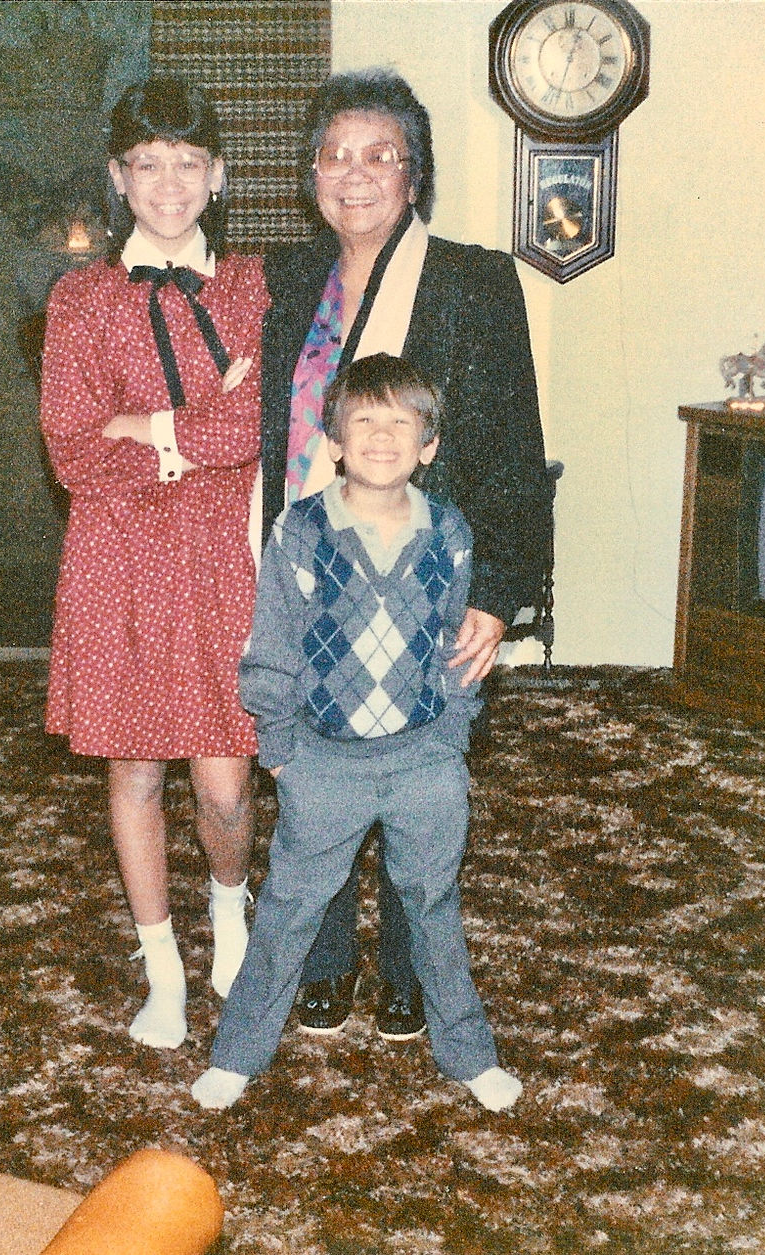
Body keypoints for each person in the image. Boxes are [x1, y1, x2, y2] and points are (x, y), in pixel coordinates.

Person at [259, 68, 549, 1040]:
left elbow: (511, 448)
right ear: (310, 175)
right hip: (314, 577)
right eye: (334, 154)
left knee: (416, 786)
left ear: (412, 177)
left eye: (378, 155)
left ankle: (406, 968)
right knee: (317, 776)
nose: (354, 174)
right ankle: (327, 955)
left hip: (428, 582)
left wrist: (500, 597)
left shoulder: (471, 279)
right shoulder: (288, 281)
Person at [191, 353, 523, 1113]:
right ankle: (238, 1053)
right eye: (364, 420)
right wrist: (280, 751)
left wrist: (452, 741)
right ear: (334, 438)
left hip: (425, 759)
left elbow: (458, 647)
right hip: (324, 764)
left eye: (402, 422)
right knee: (288, 910)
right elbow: (270, 647)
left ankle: (469, 1052)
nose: (382, 435)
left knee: (433, 903)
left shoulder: (450, 531)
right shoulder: (300, 530)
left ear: (428, 445)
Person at [39, 76, 268, 1050]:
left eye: (186, 163)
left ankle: (229, 915)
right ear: (117, 178)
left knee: (224, 784)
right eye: (146, 165)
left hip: (222, 555)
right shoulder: (80, 298)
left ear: (215, 176)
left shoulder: (257, 285)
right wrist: (191, 428)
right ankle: (161, 968)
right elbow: (73, 449)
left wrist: (145, 425)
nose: (166, 184)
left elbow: (260, 418)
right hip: (119, 559)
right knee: (134, 769)